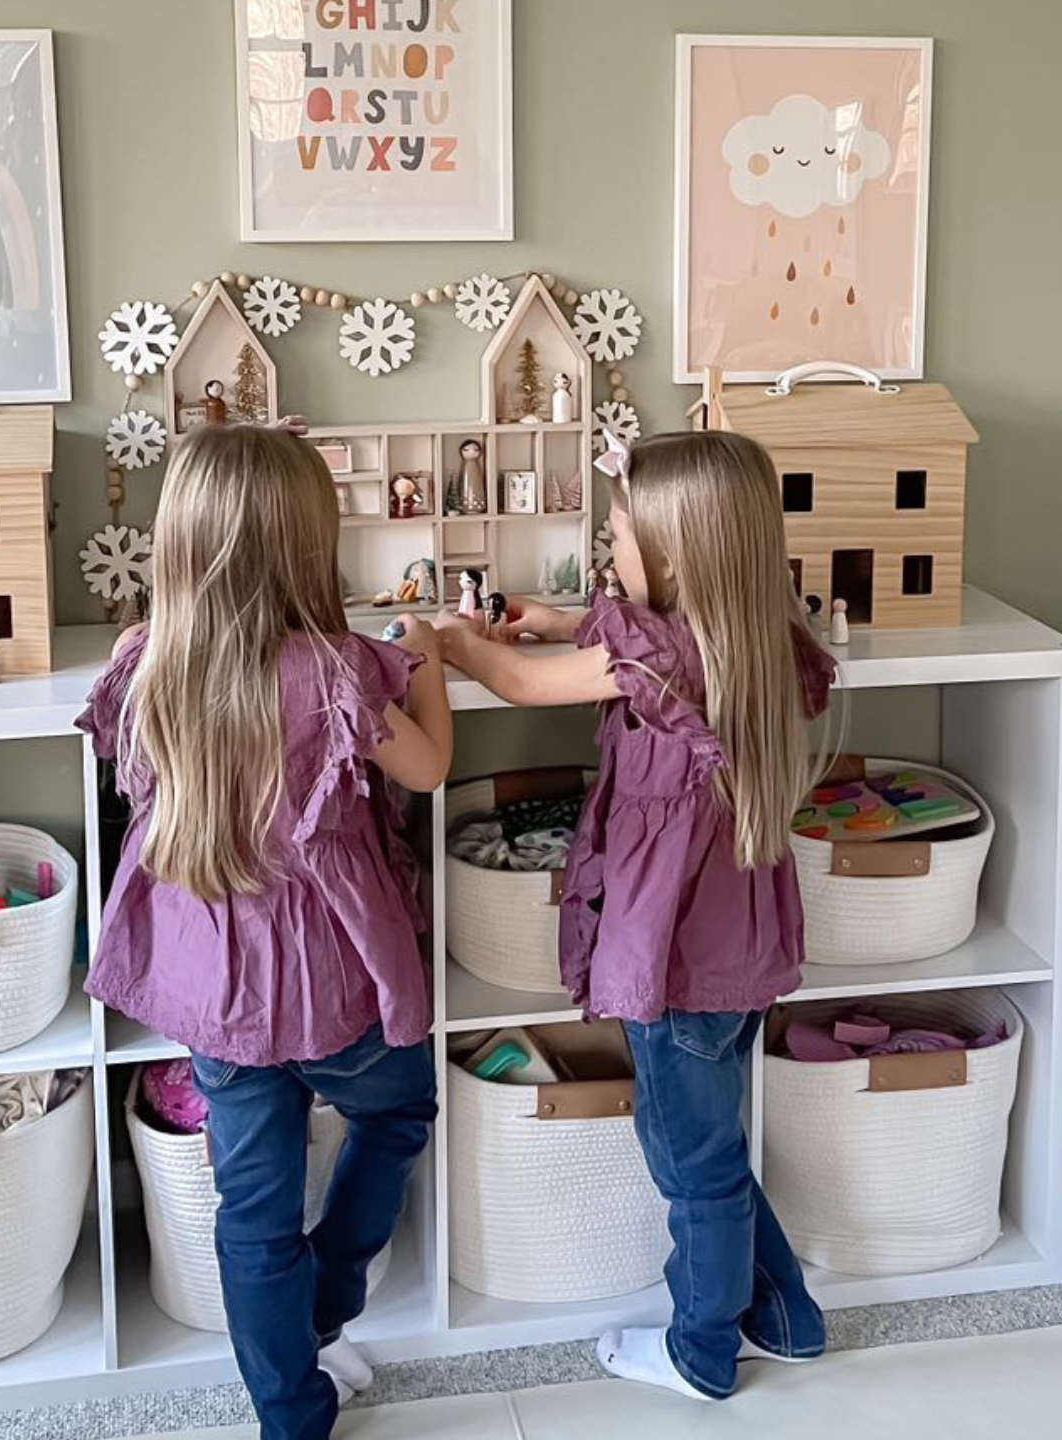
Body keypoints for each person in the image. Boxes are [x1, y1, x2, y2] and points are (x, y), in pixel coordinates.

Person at [437, 430, 836, 1401]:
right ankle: (784, 1316)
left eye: (617, 537)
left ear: (674, 555)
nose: (610, 555)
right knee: (715, 1148)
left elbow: (522, 684)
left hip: (677, 961)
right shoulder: (747, 638)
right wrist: (559, 614)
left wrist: (457, 644)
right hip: (731, 952)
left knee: (687, 1159)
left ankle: (700, 1348)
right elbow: (629, 642)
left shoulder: (659, 658)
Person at [76, 424, 452, 1440]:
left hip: (217, 991)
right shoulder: (335, 671)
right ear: (305, 546)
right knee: (398, 1112)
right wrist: (427, 667)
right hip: (331, 979)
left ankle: (291, 1413)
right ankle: (325, 1304)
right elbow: (426, 771)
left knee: (251, 1208)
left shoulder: (146, 664)